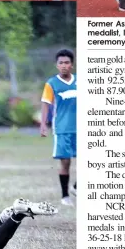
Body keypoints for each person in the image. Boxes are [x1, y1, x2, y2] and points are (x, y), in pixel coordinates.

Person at [40, 49, 77, 206]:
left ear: (72, 65)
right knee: (65, 163)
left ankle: (78, 187)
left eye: (67, 62)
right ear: (57, 65)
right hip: (62, 128)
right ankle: (65, 196)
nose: (64, 66)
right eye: (61, 63)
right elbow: (46, 104)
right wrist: (43, 124)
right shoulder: (51, 83)